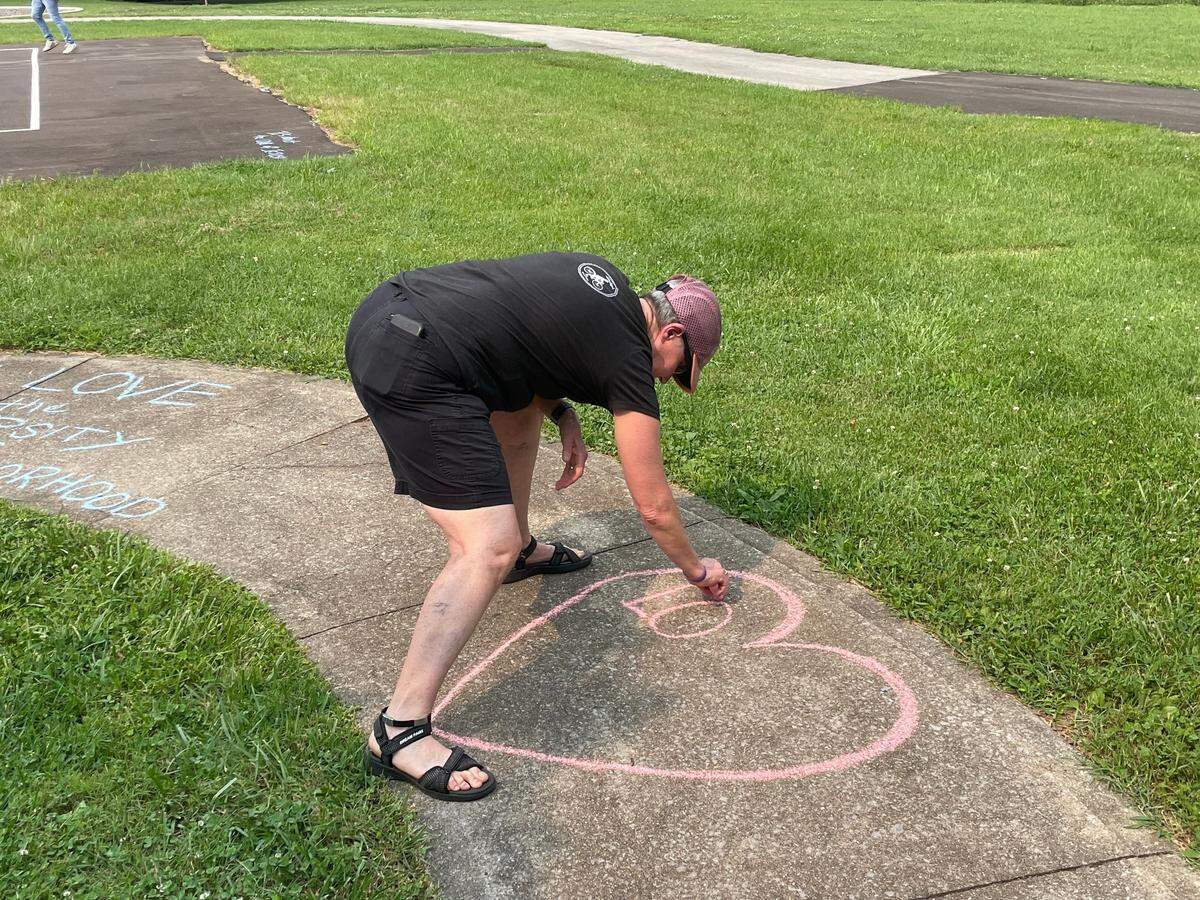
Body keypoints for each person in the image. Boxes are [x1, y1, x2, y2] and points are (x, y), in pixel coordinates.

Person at [345, 252, 728, 801]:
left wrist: (560, 411)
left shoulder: (605, 285)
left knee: (520, 410)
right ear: (669, 332)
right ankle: (400, 730)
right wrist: (696, 569)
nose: (667, 379)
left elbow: (526, 336)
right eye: (678, 366)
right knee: (485, 548)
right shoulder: (628, 355)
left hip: (394, 311)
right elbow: (654, 506)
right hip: (413, 360)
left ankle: (522, 549)